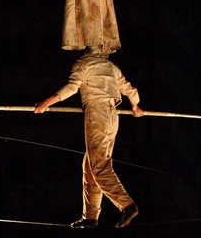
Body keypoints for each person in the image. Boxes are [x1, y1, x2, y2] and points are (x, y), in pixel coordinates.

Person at [34, 45, 144, 228]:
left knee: (99, 167)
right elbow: (130, 89)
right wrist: (135, 106)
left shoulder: (83, 63)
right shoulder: (110, 66)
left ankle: (126, 205)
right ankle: (90, 217)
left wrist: (46, 103)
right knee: (90, 166)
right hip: (112, 116)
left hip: (97, 114)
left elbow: (71, 88)